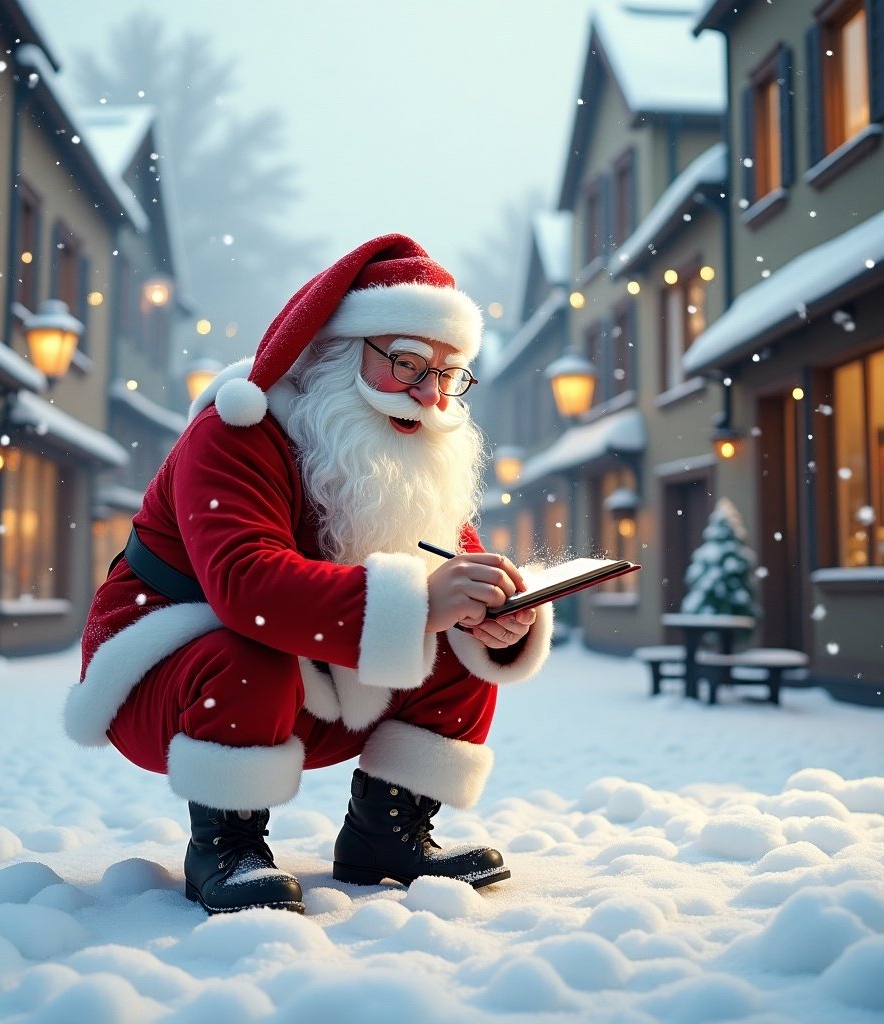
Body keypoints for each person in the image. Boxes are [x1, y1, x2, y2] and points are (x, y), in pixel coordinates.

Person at [65, 234, 554, 915]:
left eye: (447, 375)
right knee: (249, 648)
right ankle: (225, 845)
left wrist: (494, 614)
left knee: (459, 642)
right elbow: (245, 584)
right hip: (169, 681)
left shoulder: (410, 450)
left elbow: (451, 573)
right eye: (408, 363)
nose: (429, 394)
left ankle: (389, 831)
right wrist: (424, 602)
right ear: (335, 348)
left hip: (311, 691)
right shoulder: (235, 429)